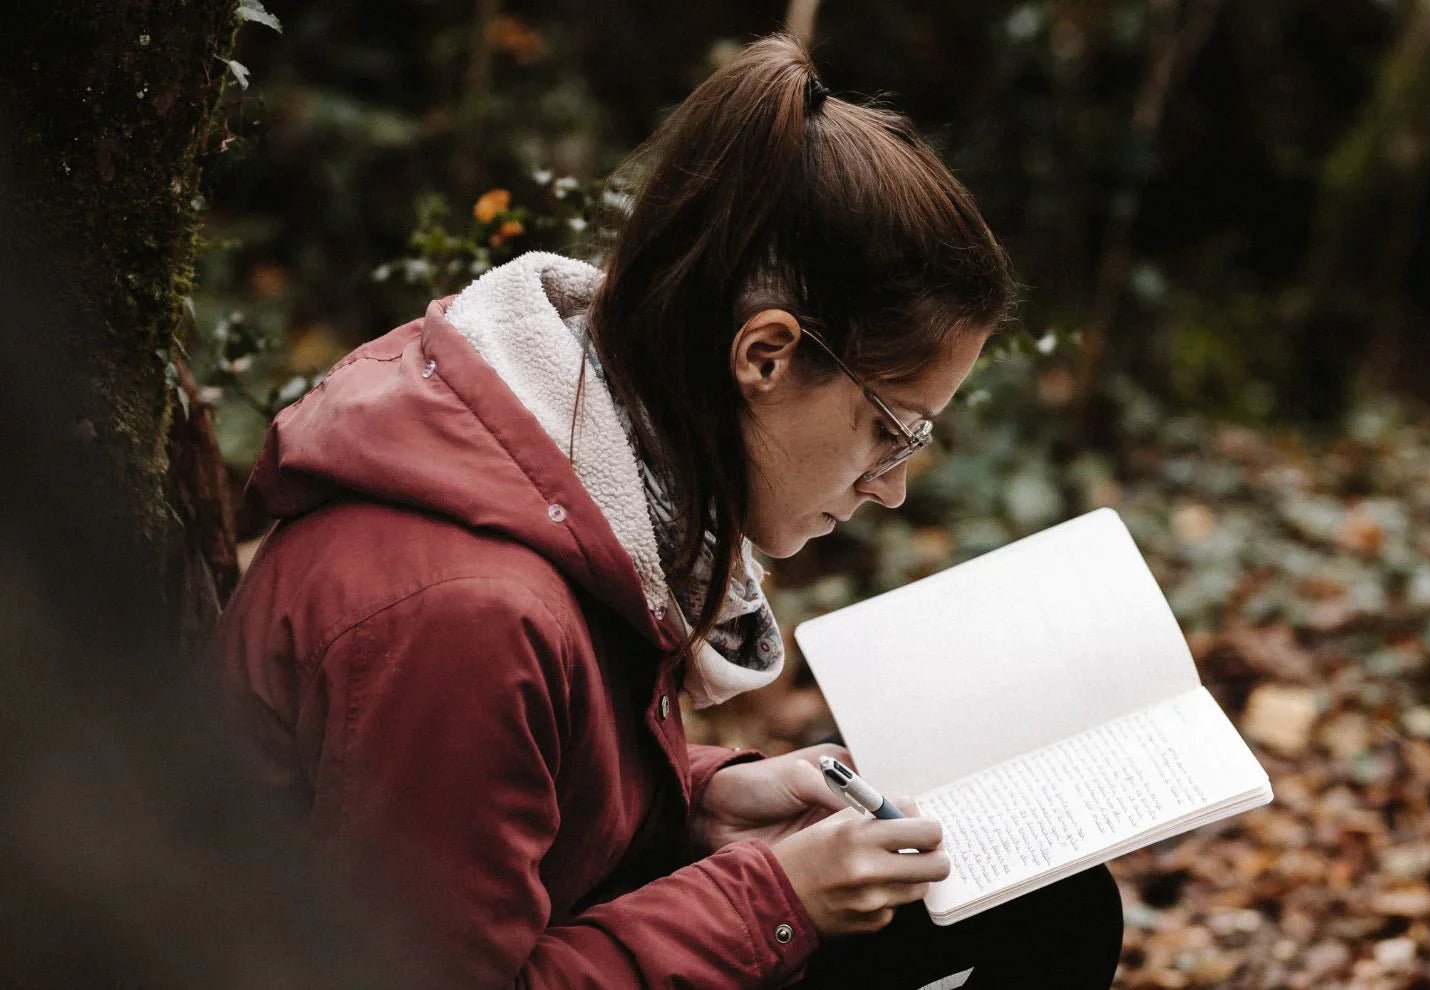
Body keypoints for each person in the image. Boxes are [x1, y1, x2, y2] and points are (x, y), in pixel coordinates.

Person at [218, 33, 1122, 989]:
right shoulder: (464, 613)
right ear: (766, 356)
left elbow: (527, 815)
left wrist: (707, 801)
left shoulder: (585, 475)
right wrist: (774, 902)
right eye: (890, 429)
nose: (892, 485)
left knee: (1046, 904)